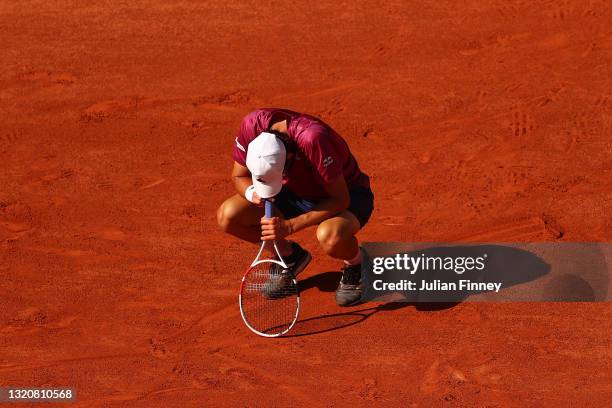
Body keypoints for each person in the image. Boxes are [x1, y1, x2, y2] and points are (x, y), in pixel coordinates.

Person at [217, 108, 374, 306]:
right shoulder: (252, 126)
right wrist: (253, 194)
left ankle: (357, 265)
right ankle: (289, 257)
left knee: (331, 237)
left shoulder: (313, 139)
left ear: (290, 157)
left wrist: (289, 226)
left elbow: (340, 199)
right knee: (228, 215)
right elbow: (239, 176)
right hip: (291, 192)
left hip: (345, 194)